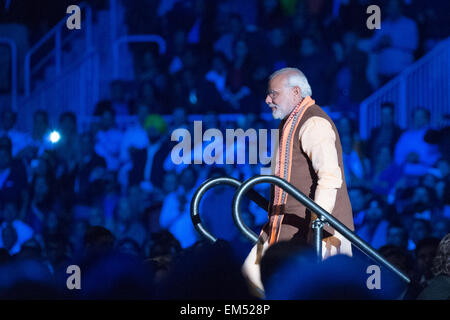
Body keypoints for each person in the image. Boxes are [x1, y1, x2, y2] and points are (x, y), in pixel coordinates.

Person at [242, 67, 354, 294]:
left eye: (273, 93)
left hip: (313, 230)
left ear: (295, 92)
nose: (267, 99)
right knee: (249, 282)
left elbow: (330, 177)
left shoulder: (314, 122)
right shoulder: (290, 120)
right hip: (284, 224)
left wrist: (318, 225)